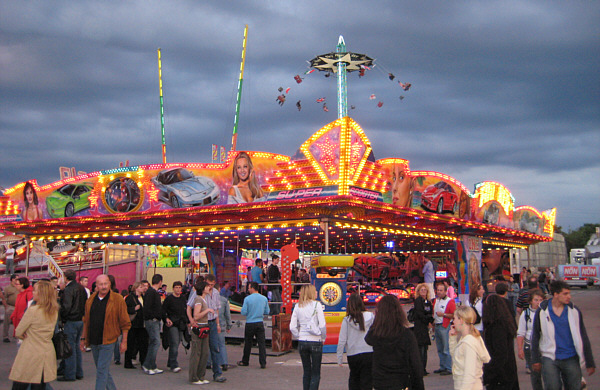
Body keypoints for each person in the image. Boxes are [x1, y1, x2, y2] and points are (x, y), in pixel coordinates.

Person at [531, 280, 595, 390]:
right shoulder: (542, 312)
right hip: (550, 357)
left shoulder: (574, 311)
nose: (569, 297)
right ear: (555, 294)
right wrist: (535, 359)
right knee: (552, 386)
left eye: (569, 293)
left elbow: (583, 335)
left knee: (574, 387)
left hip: (571, 357)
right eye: (565, 294)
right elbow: (535, 335)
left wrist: (590, 361)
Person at [80, 274, 130, 390]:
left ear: (110, 284)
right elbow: (86, 320)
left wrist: (124, 341)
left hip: (108, 340)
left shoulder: (117, 299)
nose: (104, 287)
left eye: (106, 284)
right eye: (101, 284)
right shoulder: (91, 300)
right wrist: (83, 339)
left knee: (101, 371)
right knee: (102, 370)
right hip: (94, 339)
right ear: (96, 286)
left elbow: (125, 322)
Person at [365, 294, 424, 390]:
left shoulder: (376, 334)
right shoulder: (406, 335)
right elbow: (415, 365)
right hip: (400, 382)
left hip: (380, 383)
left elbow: (368, 339)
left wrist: (377, 320)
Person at [9, 280, 59, 390]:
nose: (33, 293)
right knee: (40, 384)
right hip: (46, 351)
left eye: (35, 290)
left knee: (20, 382)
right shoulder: (54, 310)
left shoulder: (33, 311)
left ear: (41, 294)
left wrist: (23, 334)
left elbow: (18, 331)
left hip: (30, 352)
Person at [186, 274, 227, 383]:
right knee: (199, 350)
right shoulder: (198, 294)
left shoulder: (216, 293)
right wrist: (191, 320)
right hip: (202, 323)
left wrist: (218, 324)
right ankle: (197, 375)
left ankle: (216, 373)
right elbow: (190, 307)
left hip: (212, 322)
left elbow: (217, 309)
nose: (210, 287)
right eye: (208, 285)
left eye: (212, 285)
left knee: (214, 348)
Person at [290, 285, 326, 390]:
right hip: (316, 340)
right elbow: (322, 325)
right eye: (315, 291)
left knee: (306, 371)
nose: (316, 293)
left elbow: (292, 326)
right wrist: (323, 337)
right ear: (311, 293)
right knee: (316, 373)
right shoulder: (317, 305)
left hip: (302, 341)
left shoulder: (298, 306)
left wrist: (299, 335)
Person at [336, 292, 374, 390]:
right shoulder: (370, 316)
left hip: (353, 353)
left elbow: (342, 340)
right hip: (369, 352)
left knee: (354, 378)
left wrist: (339, 357)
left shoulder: (347, 320)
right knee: (367, 380)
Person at [482, 294, 519, 389]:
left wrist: (490, 373)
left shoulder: (496, 327)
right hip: (508, 371)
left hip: (500, 375)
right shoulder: (505, 323)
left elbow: (500, 353)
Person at [449, 305, 491, 390]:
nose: (453, 322)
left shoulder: (469, 343)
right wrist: (452, 339)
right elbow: (456, 358)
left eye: (455, 319)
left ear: (461, 320)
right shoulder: (467, 339)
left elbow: (469, 374)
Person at [57, 269, 87, 382]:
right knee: (76, 347)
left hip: (71, 320)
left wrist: (63, 319)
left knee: (69, 348)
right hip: (80, 319)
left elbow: (66, 306)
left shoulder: (69, 289)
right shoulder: (81, 288)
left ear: (65, 277)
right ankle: (78, 372)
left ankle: (70, 374)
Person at [237, 281, 270, 368]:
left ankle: (245, 361)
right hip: (260, 322)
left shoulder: (247, 299)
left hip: (250, 323)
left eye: (249, 287)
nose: (248, 289)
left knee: (248, 343)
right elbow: (267, 311)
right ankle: (263, 363)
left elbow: (243, 312)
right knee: (262, 344)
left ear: (252, 288)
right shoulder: (264, 299)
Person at [516, 288, 544, 389]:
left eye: (541, 300)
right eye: (536, 300)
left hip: (545, 347)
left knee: (548, 373)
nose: (538, 302)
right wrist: (520, 349)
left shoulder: (546, 313)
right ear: (531, 301)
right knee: (535, 374)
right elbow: (521, 333)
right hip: (530, 347)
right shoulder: (526, 314)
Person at [189, 280, 214, 385]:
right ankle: (194, 377)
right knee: (197, 352)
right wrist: (207, 310)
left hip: (205, 326)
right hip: (199, 327)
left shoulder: (204, 299)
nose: (209, 288)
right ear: (203, 289)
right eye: (207, 287)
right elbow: (196, 315)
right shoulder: (199, 299)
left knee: (204, 352)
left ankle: (201, 375)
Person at [162, 280, 188, 373]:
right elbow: (163, 310)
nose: (178, 289)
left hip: (181, 324)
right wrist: (166, 319)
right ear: (173, 288)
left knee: (177, 344)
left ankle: (170, 362)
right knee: (174, 342)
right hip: (172, 324)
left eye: (179, 287)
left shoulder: (183, 298)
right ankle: (174, 364)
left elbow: (185, 310)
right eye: (176, 287)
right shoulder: (169, 299)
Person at [142, 273, 164, 375]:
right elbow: (147, 308)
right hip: (152, 321)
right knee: (155, 342)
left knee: (153, 342)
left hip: (154, 320)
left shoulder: (151, 292)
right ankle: (148, 365)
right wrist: (154, 316)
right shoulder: (152, 292)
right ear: (160, 282)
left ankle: (151, 365)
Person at [433, 281, 455, 376]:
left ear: (446, 291)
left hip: (444, 325)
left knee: (446, 348)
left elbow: (454, 314)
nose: (439, 292)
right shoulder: (436, 300)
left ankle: (448, 367)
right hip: (437, 325)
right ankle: (442, 366)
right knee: (440, 348)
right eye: (438, 290)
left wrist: (444, 315)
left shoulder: (450, 301)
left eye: (441, 290)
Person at [124, 281, 148, 369]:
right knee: (131, 343)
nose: (143, 289)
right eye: (141, 287)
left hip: (142, 324)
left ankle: (143, 361)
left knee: (143, 343)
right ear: (136, 288)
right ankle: (128, 361)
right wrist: (133, 309)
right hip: (133, 324)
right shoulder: (130, 297)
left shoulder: (143, 297)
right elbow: (125, 309)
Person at [412, 283, 434, 376]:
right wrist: (427, 320)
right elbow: (420, 314)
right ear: (418, 292)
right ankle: (420, 369)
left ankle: (424, 368)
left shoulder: (428, 302)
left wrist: (430, 320)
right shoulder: (418, 301)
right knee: (420, 349)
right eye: (422, 290)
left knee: (425, 349)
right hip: (419, 327)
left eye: (425, 290)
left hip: (425, 327)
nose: (423, 292)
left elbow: (430, 313)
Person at [218, 290, 232, 371]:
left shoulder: (207, 299)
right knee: (221, 344)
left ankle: (208, 362)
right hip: (222, 325)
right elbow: (227, 314)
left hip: (211, 325)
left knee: (210, 344)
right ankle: (224, 362)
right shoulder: (224, 300)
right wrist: (229, 325)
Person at [2, 274, 19, 342]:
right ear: (12, 279)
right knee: (7, 322)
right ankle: (5, 336)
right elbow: (3, 297)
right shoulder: (7, 288)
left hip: (18, 306)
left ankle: (17, 335)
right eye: (16, 279)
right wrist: (6, 306)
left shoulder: (19, 286)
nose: (18, 280)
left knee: (18, 321)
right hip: (10, 306)